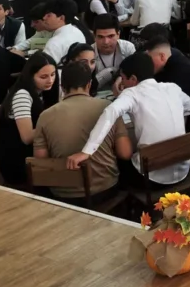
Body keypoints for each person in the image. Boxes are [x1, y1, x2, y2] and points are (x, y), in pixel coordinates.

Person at [67, 52, 190, 187]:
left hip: (152, 177)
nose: (122, 83)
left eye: (123, 79)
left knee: (118, 163)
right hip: (183, 169)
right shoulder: (172, 88)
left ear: (133, 79)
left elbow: (110, 112)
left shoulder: (132, 93)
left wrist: (86, 152)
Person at [32, 61, 133, 202]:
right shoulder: (108, 108)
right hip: (106, 189)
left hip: (63, 194)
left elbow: (41, 161)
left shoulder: (45, 116)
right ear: (89, 85)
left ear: (62, 86)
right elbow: (125, 153)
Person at [0, 51, 57, 186]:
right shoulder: (22, 95)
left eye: (53, 74)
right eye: (43, 76)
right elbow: (27, 137)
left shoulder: (40, 92)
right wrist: (54, 124)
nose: (50, 80)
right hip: (16, 160)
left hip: (28, 153)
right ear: (30, 76)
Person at [89, 14, 135, 89]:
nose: (106, 42)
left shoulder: (128, 48)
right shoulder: (88, 53)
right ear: (94, 36)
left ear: (118, 34)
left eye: (110, 36)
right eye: (100, 37)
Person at [41, 0, 91, 64]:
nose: (44, 18)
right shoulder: (78, 32)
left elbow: (45, 68)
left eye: (49, 15)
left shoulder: (54, 43)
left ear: (61, 18)